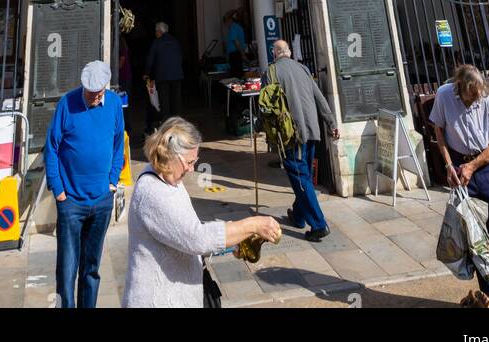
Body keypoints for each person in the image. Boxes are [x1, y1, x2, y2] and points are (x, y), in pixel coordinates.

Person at [123, 117, 280, 308]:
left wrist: (234, 241)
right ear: (170, 155)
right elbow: (195, 238)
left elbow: (187, 230)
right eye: (189, 162)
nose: (192, 169)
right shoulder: (152, 192)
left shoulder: (170, 181)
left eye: (195, 161)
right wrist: (252, 224)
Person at [430, 64, 489, 297]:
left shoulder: (486, 101)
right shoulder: (444, 95)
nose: (476, 98)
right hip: (459, 164)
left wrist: (472, 166)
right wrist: (449, 164)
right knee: (474, 233)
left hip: (486, 165)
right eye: (472, 95)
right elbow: (438, 130)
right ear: (460, 87)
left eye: (480, 93)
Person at [45, 60, 125, 309]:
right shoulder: (67, 104)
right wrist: (58, 191)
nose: (94, 97)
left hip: (101, 200)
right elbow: (52, 149)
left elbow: (118, 143)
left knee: (91, 269)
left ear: (105, 89)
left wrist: (113, 182)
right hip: (71, 203)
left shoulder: (113, 104)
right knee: (67, 270)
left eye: (98, 93)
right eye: (90, 92)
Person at [267, 40, 339, 241]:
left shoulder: (271, 72)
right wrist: (331, 123)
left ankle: (319, 224)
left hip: (292, 135)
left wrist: (265, 132)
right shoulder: (303, 69)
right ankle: (298, 216)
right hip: (312, 130)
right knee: (303, 175)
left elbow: (267, 108)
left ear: (274, 54)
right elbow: (319, 98)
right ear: (288, 53)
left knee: (301, 178)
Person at [145, 21, 185, 125]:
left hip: (163, 76)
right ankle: (178, 123)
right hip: (176, 75)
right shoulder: (175, 41)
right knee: (176, 101)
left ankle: (166, 123)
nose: (155, 34)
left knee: (164, 101)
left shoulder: (157, 42)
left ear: (159, 32)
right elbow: (180, 57)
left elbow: (150, 59)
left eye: (156, 32)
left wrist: (147, 73)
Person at [223, 10, 247, 77]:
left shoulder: (234, 27)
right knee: (238, 75)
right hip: (236, 54)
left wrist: (242, 55)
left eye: (226, 22)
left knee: (236, 76)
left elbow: (236, 42)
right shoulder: (238, 27)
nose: (226, 25)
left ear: (230, 20)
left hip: (235, 54)